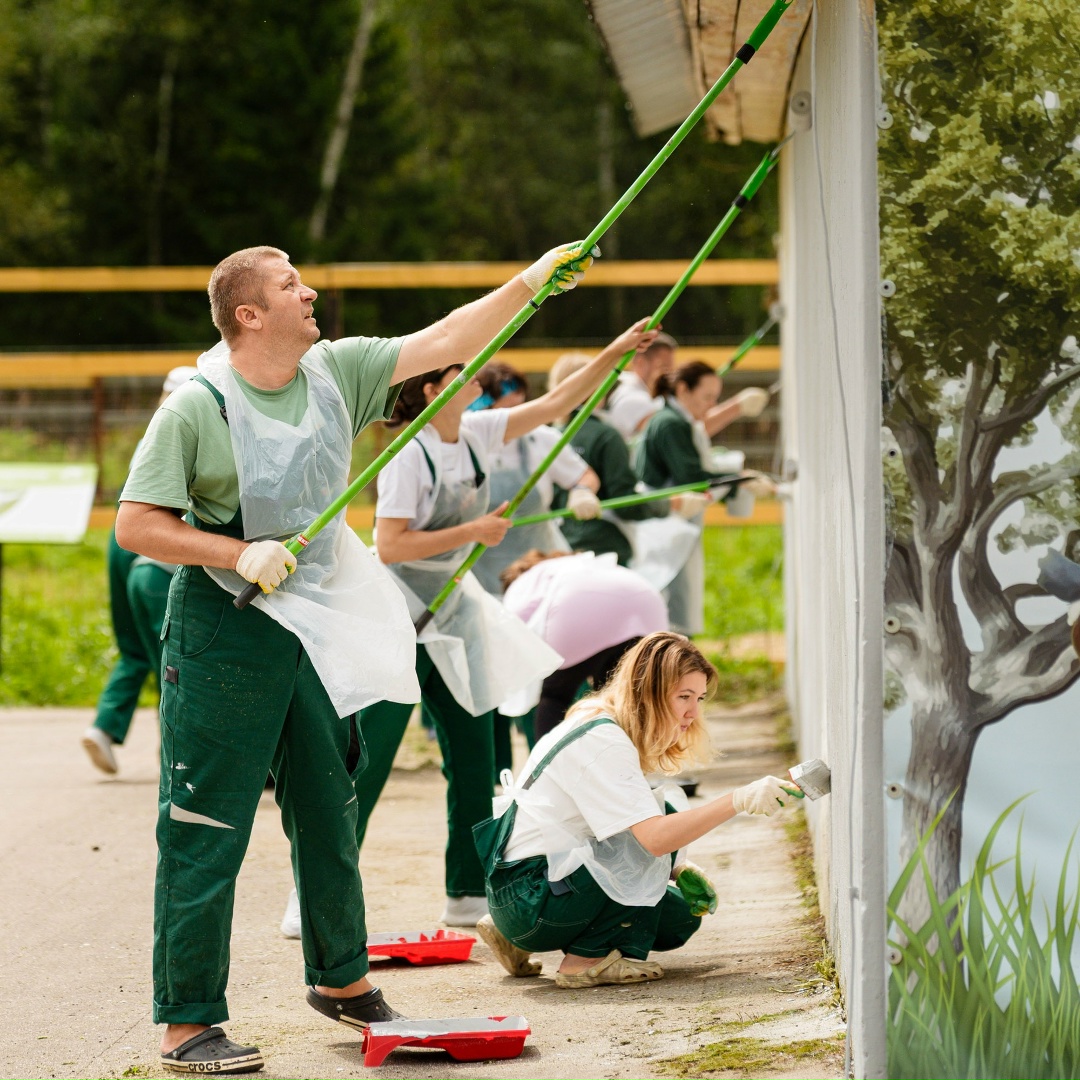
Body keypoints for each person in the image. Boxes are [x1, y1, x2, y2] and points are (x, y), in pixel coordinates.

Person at [114, 240, 596, 1073]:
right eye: (289, 284)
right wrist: (235, 554)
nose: (310, 293)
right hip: (226, 620)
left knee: (328, 800)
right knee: (207, 821)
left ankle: (341, 980)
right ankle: (187, 1023)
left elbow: (447, 337)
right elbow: (136, 523)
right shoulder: (199, 406)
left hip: (317, 614)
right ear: (248, 315)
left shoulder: (336, 370)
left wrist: (530, 284)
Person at [344, 318, 659, 933]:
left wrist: (615, 350)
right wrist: (473, 532)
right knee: (370, 758)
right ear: (433, 390)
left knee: (475, 749)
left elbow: (556, 402)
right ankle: (314, 893)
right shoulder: (408, 454)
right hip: (395, 617)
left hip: (453, 613)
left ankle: (465, 888)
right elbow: (388, 546)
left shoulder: (478, 431)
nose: (475, 380)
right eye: (460, 373)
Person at [473, 632, 799, 987]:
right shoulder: (604, 742)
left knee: (678, 918)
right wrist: (739, 799)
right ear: (648, 691)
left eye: (700, 698)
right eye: (683, 697)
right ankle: (584, 962)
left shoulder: (598, 716)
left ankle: (513, 936)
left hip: (521, 891)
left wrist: (677, 868)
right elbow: (653, 840)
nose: (693, 712)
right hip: (530, 897)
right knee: (651, 840)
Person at [82, 366, 196, 775]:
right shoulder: (183, 432)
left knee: (136, 652)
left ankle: (105, 728)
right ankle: (173, 753)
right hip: (150, 548)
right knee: (171, 663)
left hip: (120, 542)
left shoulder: (153, 431)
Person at [636, 360, 772, 636]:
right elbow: (691, 478)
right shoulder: (670, 424)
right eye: (707, 397)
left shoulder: (679, 422)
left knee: (675, 607)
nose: (711, 405)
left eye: (715, 398)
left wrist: (736, 476)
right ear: (684, 390)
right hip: (667, 528)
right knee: (671, 611)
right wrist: (739, 479)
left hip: (675, 529)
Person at [548, 351, 707, 568]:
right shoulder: (606, 436)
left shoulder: (548, 435)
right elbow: (625, 503)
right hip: (605, 547)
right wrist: (672, 504)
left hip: (557, 545)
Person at [499, 549, 668, 739]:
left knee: (556, 696)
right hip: (646, 603)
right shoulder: (585, 562)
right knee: (623, 696)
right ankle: (630, 760)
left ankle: (551, 765)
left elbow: (513, 624)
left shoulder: (527, 578)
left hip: (581, 610)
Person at [603, 331, 678, 441]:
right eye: (664, 366)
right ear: (640, 363)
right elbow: (674, 435)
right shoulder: (632, 399)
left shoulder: (639, 391)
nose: (670, 373)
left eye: (671, 367)